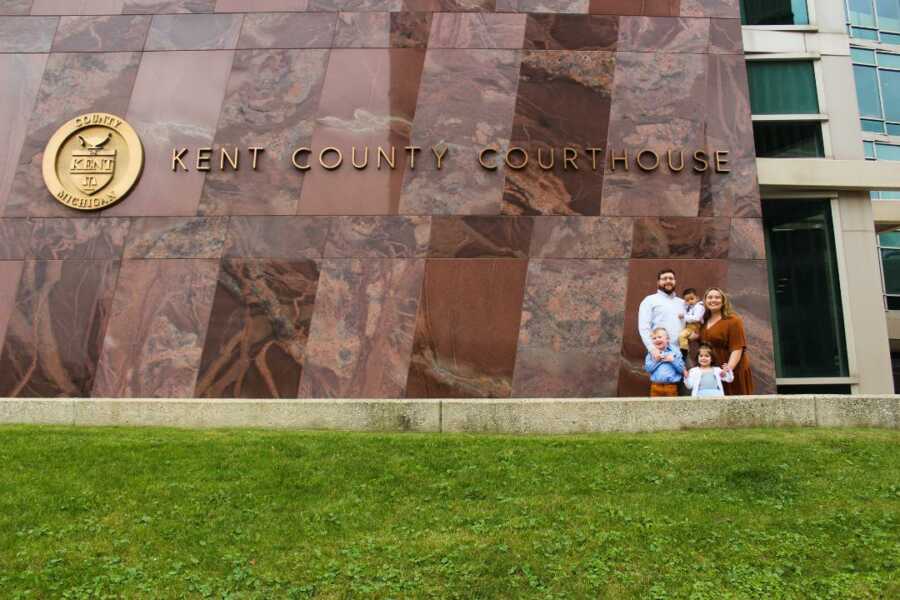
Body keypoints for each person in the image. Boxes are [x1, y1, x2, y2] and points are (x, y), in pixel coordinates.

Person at [696, 287, 754, 395]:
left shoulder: (733, 321)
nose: (713, 300)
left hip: (732, 370)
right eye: (710, 297)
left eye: (717, 297)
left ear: (723, 301)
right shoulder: (703, 321)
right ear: (705, 301)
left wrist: (729, 369)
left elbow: (737, 348)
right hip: (713, 371)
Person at [638, 269, 685, 362]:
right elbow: (644, 327)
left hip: (680, 353)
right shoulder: (649, 300)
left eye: (671, 278)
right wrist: (652, 349)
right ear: (658, 282)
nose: (668, 281)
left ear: (675, 281)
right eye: (664, 278)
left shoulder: (682, 303)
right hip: (659, 353)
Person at [644, 327, 686, 397]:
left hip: (670, 386)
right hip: (655, 386)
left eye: (659, 337)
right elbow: (648, 369)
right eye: (654, 338)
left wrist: (673, 360)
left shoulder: (675, 352)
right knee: (655, 406)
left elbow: (681, 369)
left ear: (668, 339)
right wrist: (656, 361)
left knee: (671, 406)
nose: (657, 339)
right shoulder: (651, 354)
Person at [677, 288, 705, 357]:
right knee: (682, 336)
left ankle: (684, 351)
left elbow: (696, 318)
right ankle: (685, 349)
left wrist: (684, 316)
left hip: (695, 326)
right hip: (690, 326)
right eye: (687, 300)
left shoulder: (699, 306)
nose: (690, 301)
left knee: (682, 335)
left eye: (692, 299)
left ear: (697, 298)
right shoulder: (691, 307)